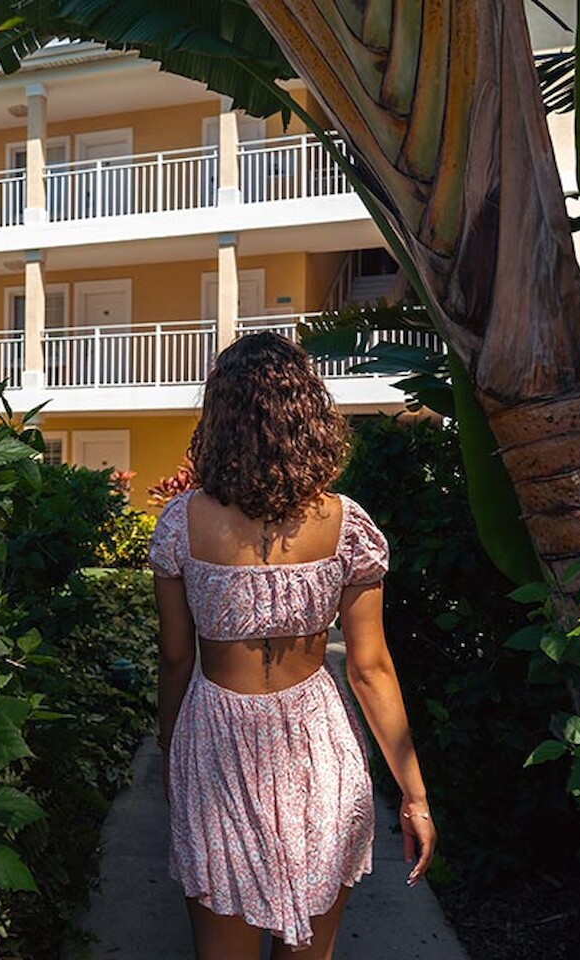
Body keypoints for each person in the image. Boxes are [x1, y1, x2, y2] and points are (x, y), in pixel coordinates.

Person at [149, 332, 436, 960]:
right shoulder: (346, 525)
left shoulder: (180, 524)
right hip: (318, 747)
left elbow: (175, 659)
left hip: (216, 747)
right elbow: (370, 669)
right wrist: (413, 793)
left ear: (219, 418)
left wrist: (172, 753)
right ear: (308, 413)